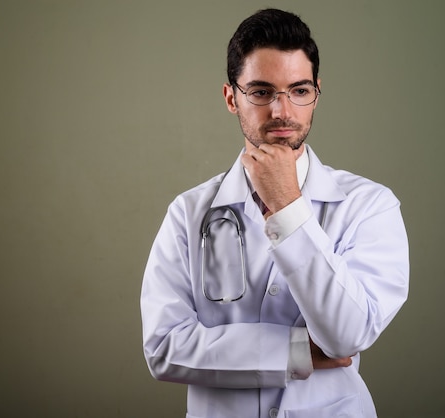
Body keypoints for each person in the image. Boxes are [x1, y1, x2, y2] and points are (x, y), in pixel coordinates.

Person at [140, 8, 409, 418]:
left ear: (317, 91)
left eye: (299, 91)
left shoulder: (370, 205)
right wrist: (295, 352)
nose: (282, 111)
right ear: (232, 98)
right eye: (262, 92)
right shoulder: (189, 213)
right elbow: (163, 347)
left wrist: (287, 206)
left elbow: (346, 336)